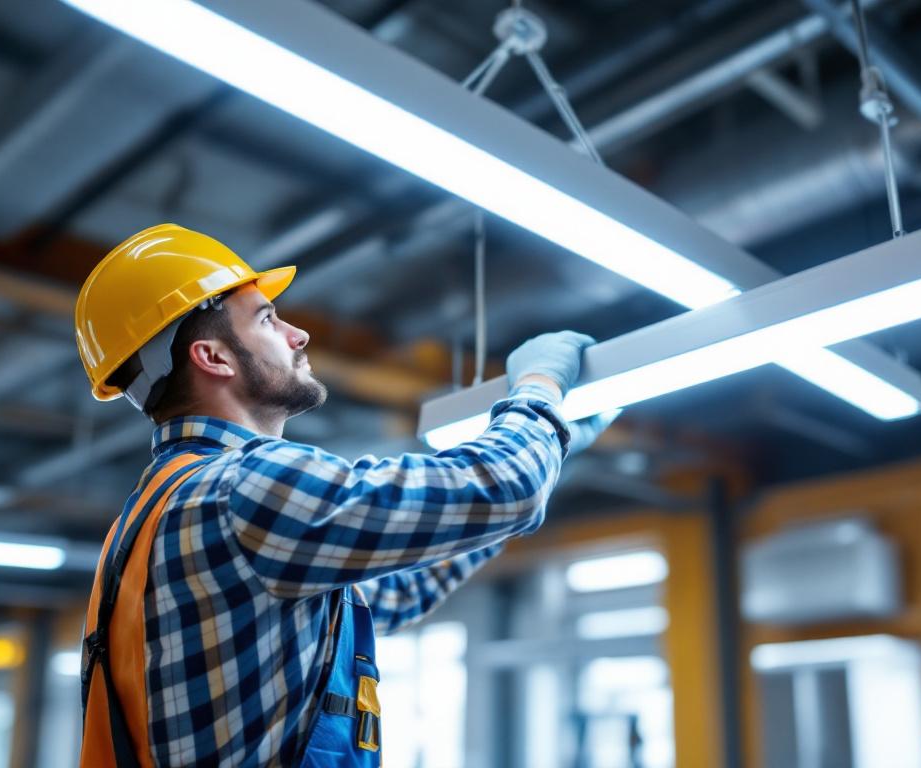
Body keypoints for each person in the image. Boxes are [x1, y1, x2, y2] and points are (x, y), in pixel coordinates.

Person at [73, 223, 617, 767]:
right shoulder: (242, 489)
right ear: (214, 357)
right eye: (267, 318)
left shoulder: (151, 516)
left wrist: (550, 455)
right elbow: (507, 488)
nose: (297, 334)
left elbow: (392, 593)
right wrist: (540, 388)